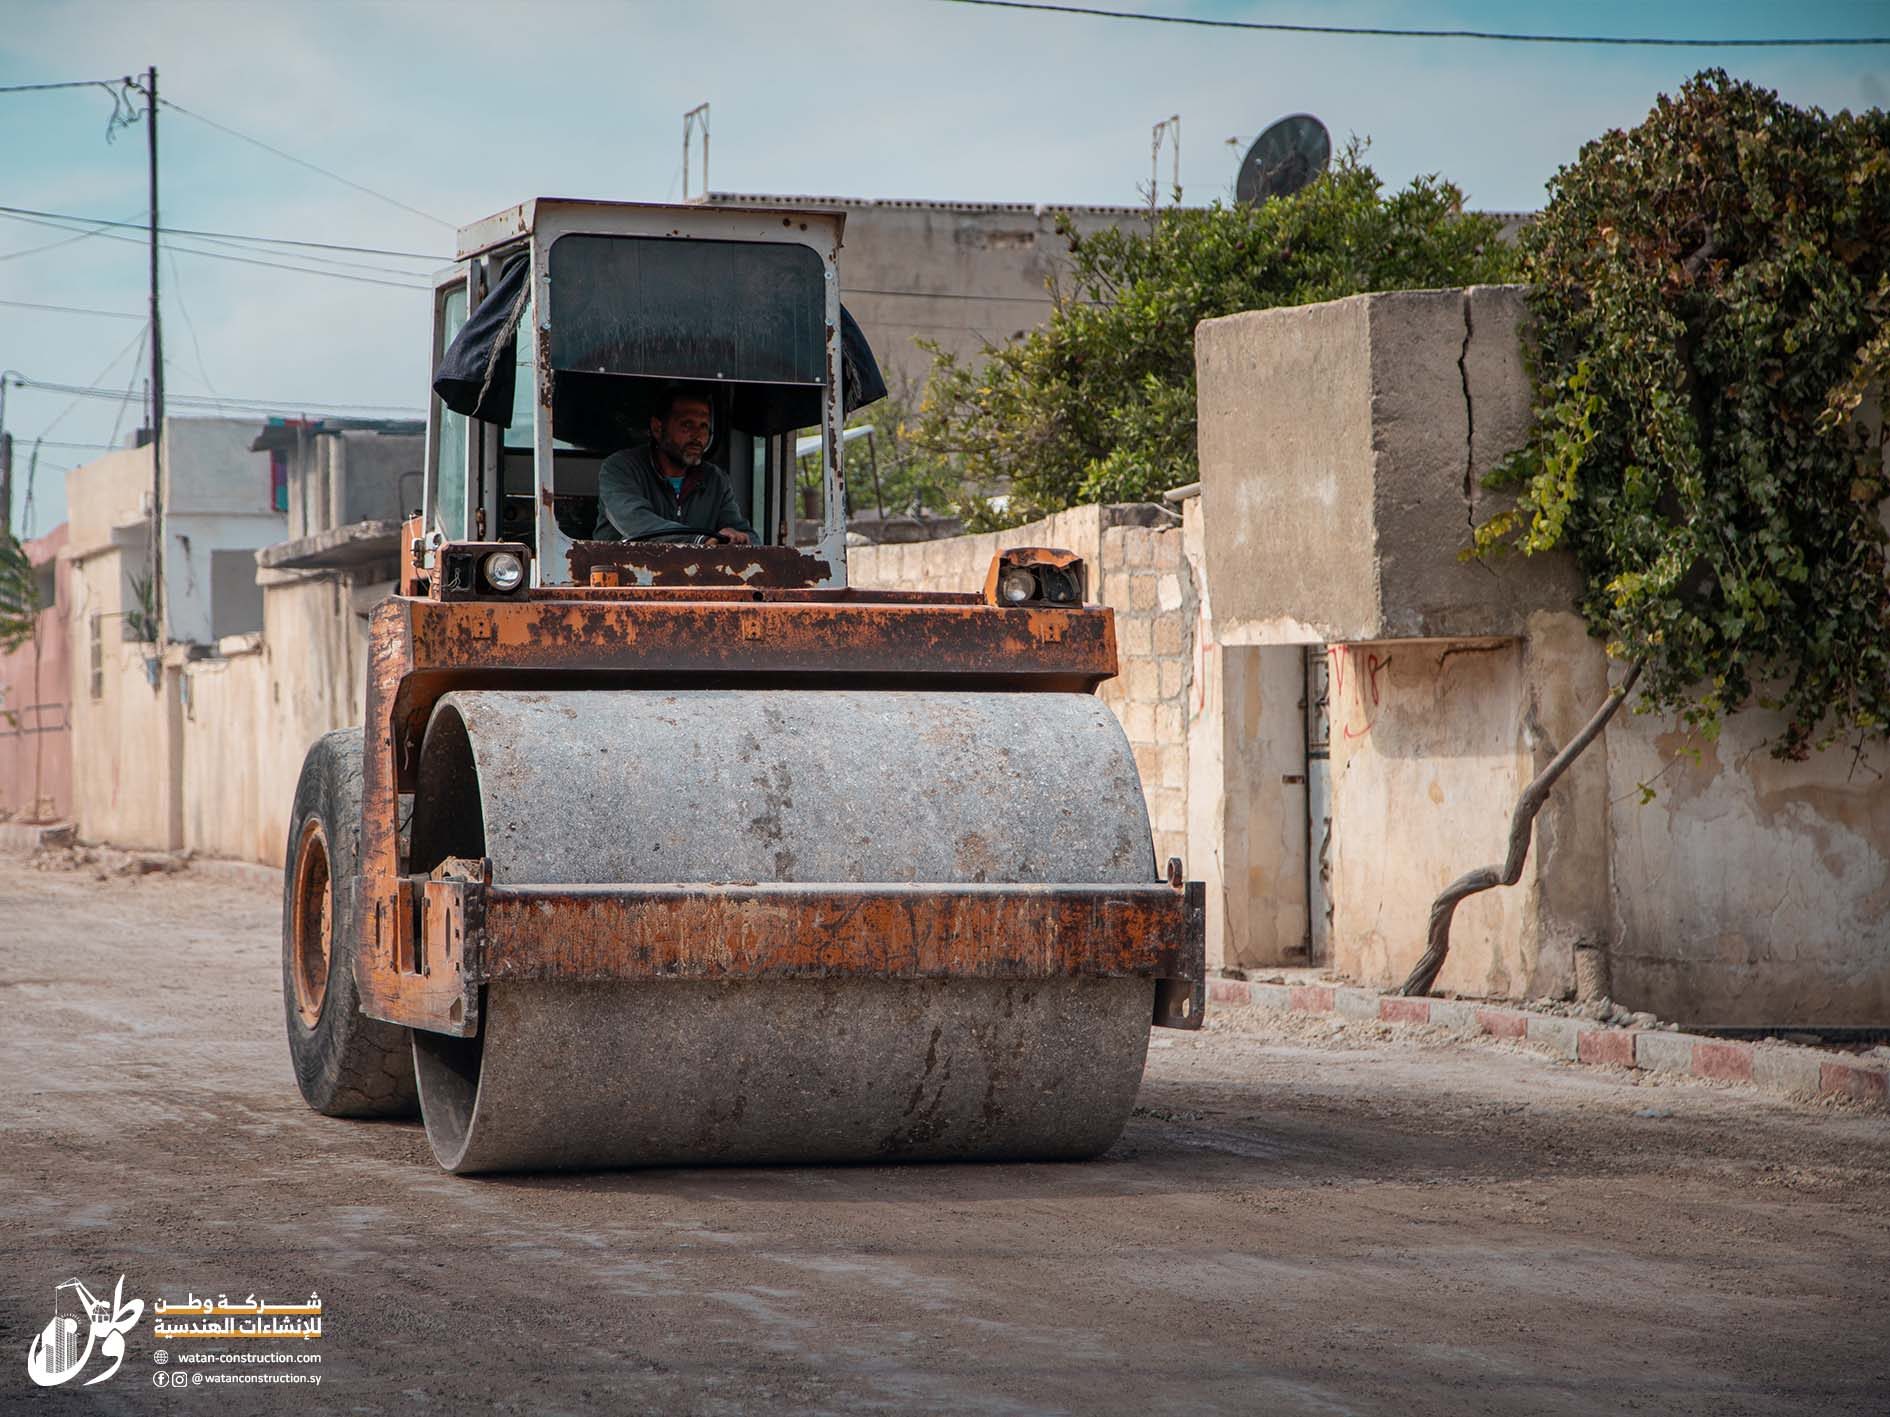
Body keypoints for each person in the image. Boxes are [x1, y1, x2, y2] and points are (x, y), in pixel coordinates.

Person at [591, 385, 755, 544]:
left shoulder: (716, 480)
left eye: (704, 426)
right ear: (657, 428)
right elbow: (636, 522)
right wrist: (699, 540)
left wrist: (738, 539)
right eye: (687, 424)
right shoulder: (620, 468)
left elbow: (744, 533)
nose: (697, 435)